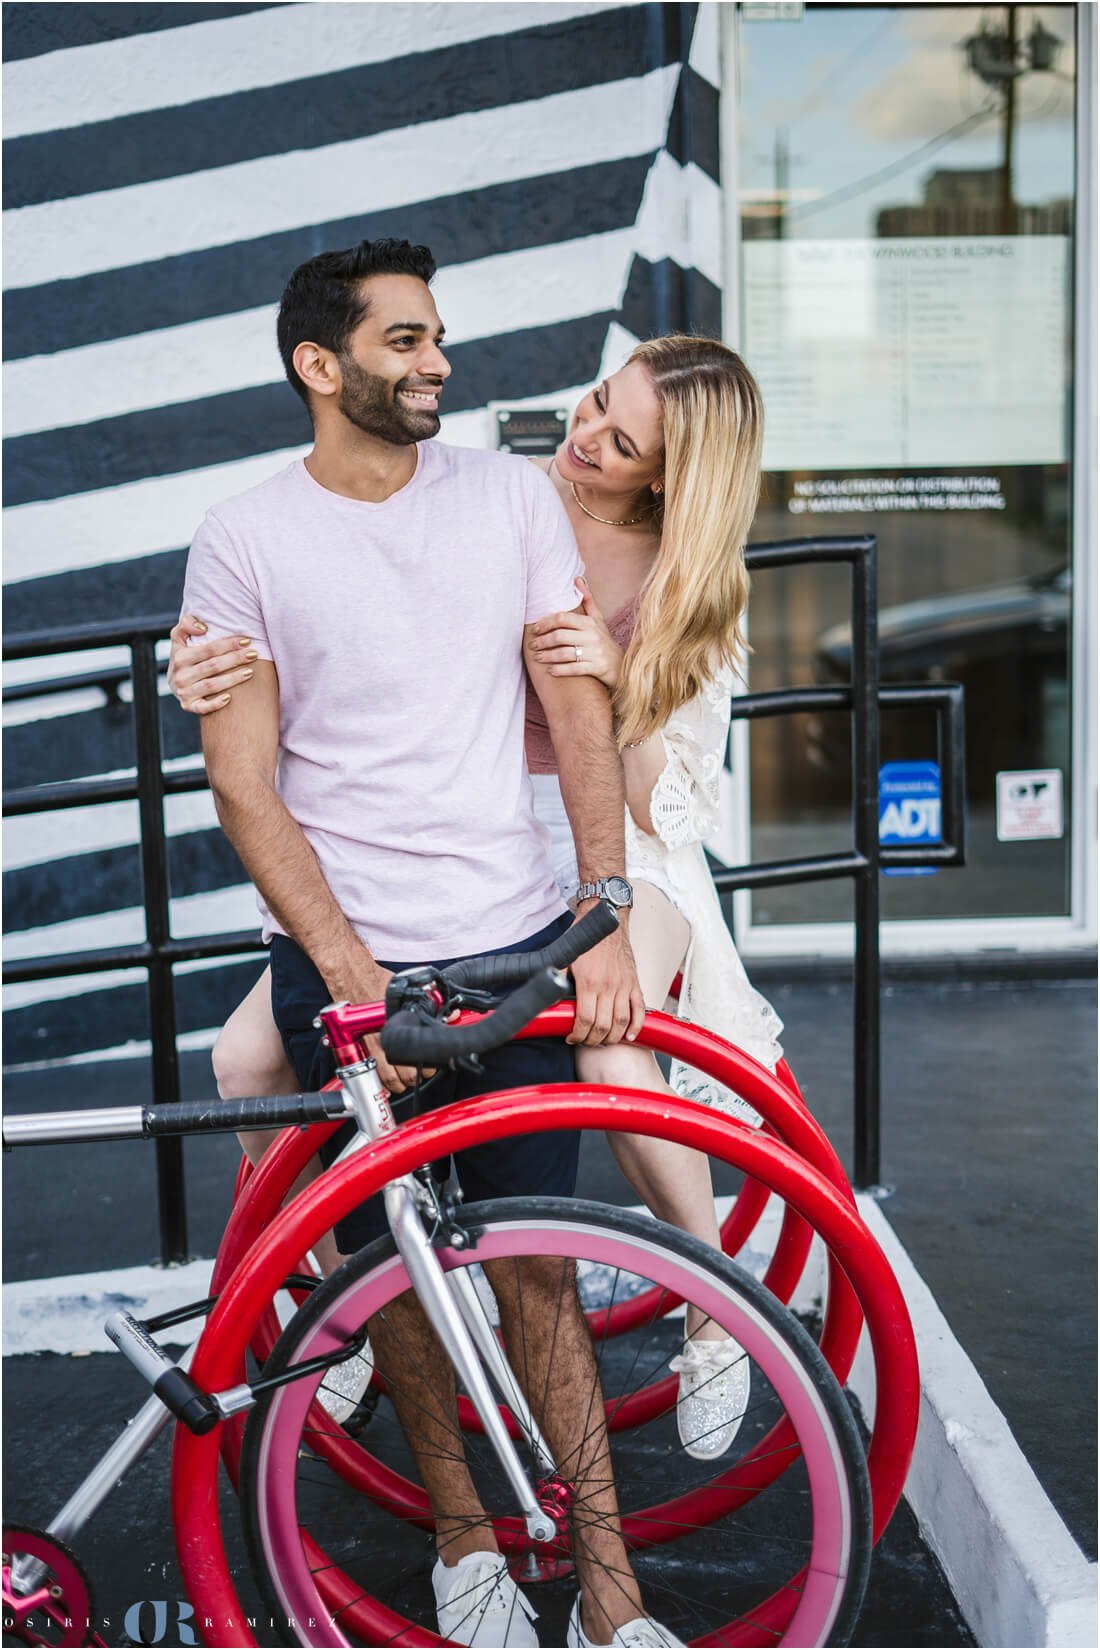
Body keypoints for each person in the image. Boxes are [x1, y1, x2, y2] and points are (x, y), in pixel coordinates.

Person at [180, 235, 680, 1650]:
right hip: (353, 963)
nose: (438, 361)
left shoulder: (507, 497)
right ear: (318, 365)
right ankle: (461, 1531)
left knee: (538, 1269)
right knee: (384, 1267)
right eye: (405, 339)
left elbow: (572, 698)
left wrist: (599, 907)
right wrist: (348, 975)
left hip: (517, 937)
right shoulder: (245, 537)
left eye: (438, 334)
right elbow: (241, 779)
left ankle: (610, 1589)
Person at [171, 332, 786, 1467]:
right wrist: (206, 662)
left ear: (668, 476)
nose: (585, 434)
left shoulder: (685, 588)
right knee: (245, 1065)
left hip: (621, 847)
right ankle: (338, 1302)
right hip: (471, 830)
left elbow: (668, 806)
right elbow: (342, 602)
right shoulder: (498, 498)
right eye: (596, 402)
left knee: (607, 1048)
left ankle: (713, 1312)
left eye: (620, 439)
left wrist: (617, 688)